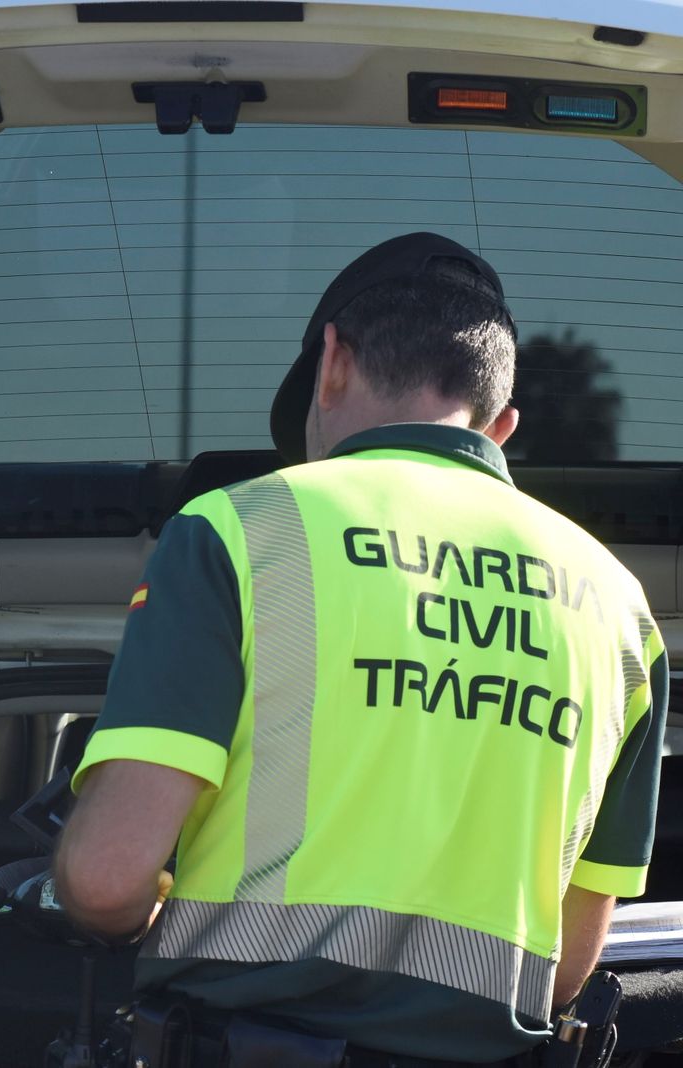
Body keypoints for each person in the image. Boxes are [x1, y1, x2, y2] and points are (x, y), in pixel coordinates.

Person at [53, 233, 666, 1066]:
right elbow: (565, 967)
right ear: (504, 426)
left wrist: (127, 912)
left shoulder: (242, 528)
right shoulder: (623, 610)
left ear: (332, 362)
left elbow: (104, 881)